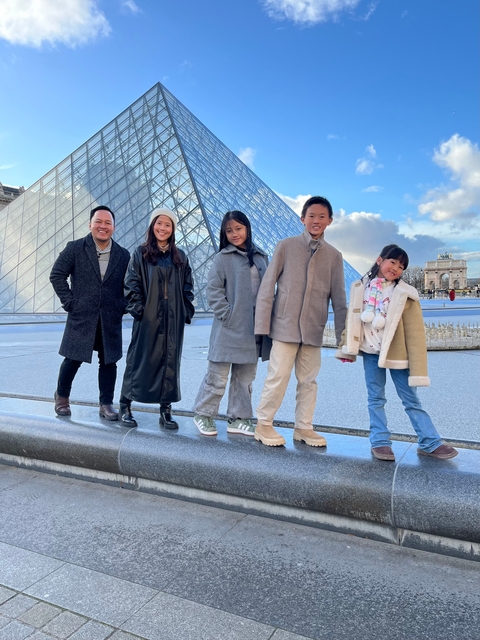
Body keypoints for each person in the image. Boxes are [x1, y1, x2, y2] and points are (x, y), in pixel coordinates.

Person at [337, 244, 458, 461]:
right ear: (379, 260)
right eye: (392, 262)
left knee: (410, 399)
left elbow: (415, 332)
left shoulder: (405, 294)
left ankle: (429, 441)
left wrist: (418, 366)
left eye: (401, 266)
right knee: (375, 398)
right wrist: (347, 348)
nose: (396, 268)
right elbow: (352, 319)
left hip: (397, 353)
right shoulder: (359, 287)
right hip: (371, 353)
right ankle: (380, 442)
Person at [254, 196, 347, 446]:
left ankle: (303, 427)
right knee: (277, 377)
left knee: (309, 382)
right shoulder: (286, 246)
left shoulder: (334, 256)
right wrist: (263, 326)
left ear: (329, 221)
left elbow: (339, 298)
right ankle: (263, 424)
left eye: (321, 216)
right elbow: (267, 286)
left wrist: (344, 339)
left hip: (313, 329)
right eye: (312, 216)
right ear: (302, 218)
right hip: (284, 327)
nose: (316, 221)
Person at [193, 211, 270, 436]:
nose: (234, 234)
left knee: (245, 379)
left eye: (238, 228)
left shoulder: (261, 257)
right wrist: (228, 315)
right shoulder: (222, 258)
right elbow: (213, 291)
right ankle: (203, 414)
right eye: (229, 230)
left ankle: (238, 418)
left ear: (247, 228)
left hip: (254, 329)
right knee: (216, 377)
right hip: (229, 328)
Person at [50, 205, 130, 420]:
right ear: (90, 224)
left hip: (109, 317)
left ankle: (106, 404)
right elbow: (57, 275)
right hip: (82, 315)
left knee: (109, 362)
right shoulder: (75, 248)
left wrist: (122, 307)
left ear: (113, 227)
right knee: (72, 360)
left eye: (107, 223)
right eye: (99, 221)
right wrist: (70, 303)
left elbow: (131, 286)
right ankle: (62, 397)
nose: (103, 226)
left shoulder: (123, 255)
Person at [119, 208, 194, 429]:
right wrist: (140, 311)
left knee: (170, 363)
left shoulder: (180, 256)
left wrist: (185, 312)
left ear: (173, 229)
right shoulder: (140, 253)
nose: (163, 228)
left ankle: (166, 410)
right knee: (138, 361)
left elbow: (187, 287)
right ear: (152, 226)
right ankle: (125, 404)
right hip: (147, 319)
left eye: (168, 224)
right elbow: (131, 284)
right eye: (159, 223)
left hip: (173, 320)